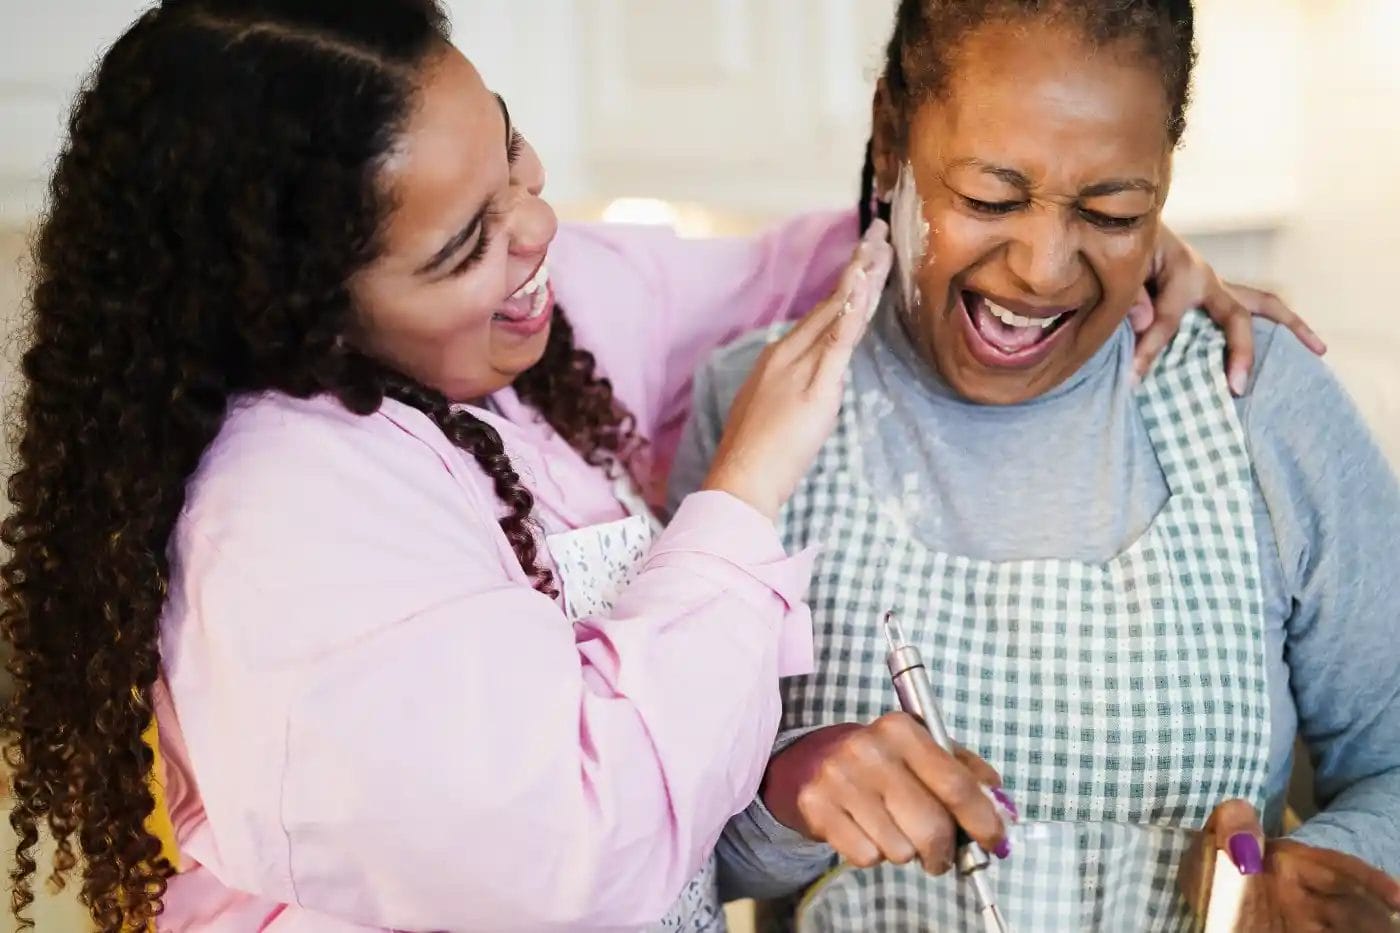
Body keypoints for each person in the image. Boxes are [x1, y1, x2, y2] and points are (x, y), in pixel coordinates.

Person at [0, 1, 1318, 930]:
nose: (536, 228)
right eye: (464, 243)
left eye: (510, 148)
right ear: (300, 307)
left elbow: (787, 275)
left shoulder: (536, 323)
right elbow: (597, 850)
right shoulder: (280, 527)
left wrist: (1086, 243)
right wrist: (740, 499)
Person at [673, 0, 1400, 930]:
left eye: (1114, 210)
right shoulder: (755, 411)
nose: (1046, 268)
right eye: (990, 199)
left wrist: (1319, 872)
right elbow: (674, 860)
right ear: (891, 137)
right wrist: (792, 792)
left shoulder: (1257, 395)